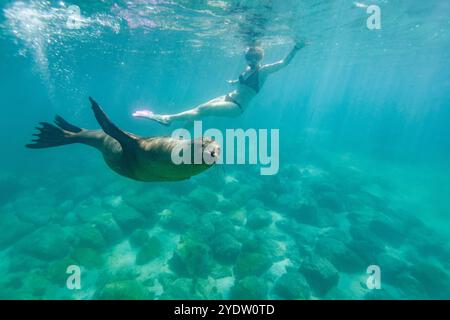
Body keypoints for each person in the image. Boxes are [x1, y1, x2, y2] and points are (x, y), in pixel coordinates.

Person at [133, 40, 308, 126]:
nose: (251, 61)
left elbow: (284, 63)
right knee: (199, 110)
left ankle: (166, 118)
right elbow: (242, 84)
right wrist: (233, 82)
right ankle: (180, 136)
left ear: (260, 58)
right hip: (228, 97)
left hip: (237, 107)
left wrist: (295, 48)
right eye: (248, 58)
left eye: (254, 58)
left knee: (203, 110)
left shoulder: (264, 71)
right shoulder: (247, 69)